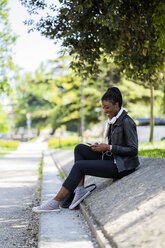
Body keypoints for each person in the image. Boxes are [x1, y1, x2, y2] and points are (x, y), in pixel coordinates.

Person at [33, 87, 140, 213]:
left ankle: (56, 201)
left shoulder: (127, 122)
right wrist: (101, 147)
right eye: (103, 107)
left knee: (79, 166)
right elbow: (113, 146)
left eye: (107, 107)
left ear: (116, 105)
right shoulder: (113, 120)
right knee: (80, 148)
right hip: (113, 158)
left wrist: (108, 147)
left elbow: (133, 150)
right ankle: (79, 190)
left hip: (122, 167)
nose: (105, 110)